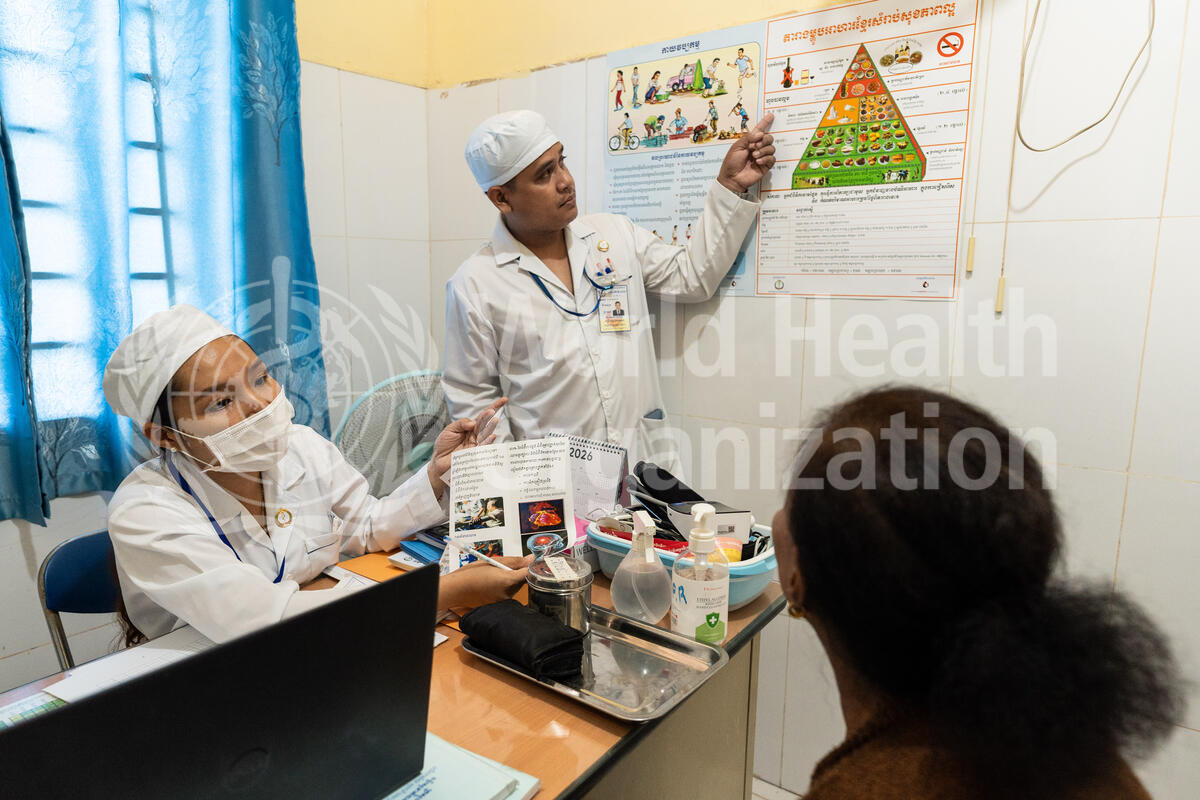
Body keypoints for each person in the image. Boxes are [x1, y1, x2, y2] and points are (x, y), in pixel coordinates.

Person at [772, 387, 1181, 800]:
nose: (777, 518)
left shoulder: (863, 790)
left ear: (798, 579)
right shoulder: (1083, 761)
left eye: (791, 504)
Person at [103, 305, 529, 644]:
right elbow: (262, 622)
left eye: (260, 378)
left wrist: (436, 475)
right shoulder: (145, 511)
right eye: (220, 402)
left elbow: (366, 526)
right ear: (165, 436)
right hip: (203, 671)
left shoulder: (301, 447)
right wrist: (448, 590)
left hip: (319, 643)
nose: (259, 404)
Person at [443, 109, 774, 471]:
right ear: (501, 198)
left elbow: (693, 276)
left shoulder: (614, 235)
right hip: (553, 484)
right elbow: (477, 405)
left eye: (561, 162)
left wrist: (730, 185)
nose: (565, 182)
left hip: (643, 470)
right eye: (544, 174)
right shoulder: (476, 285)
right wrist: (521, 491)